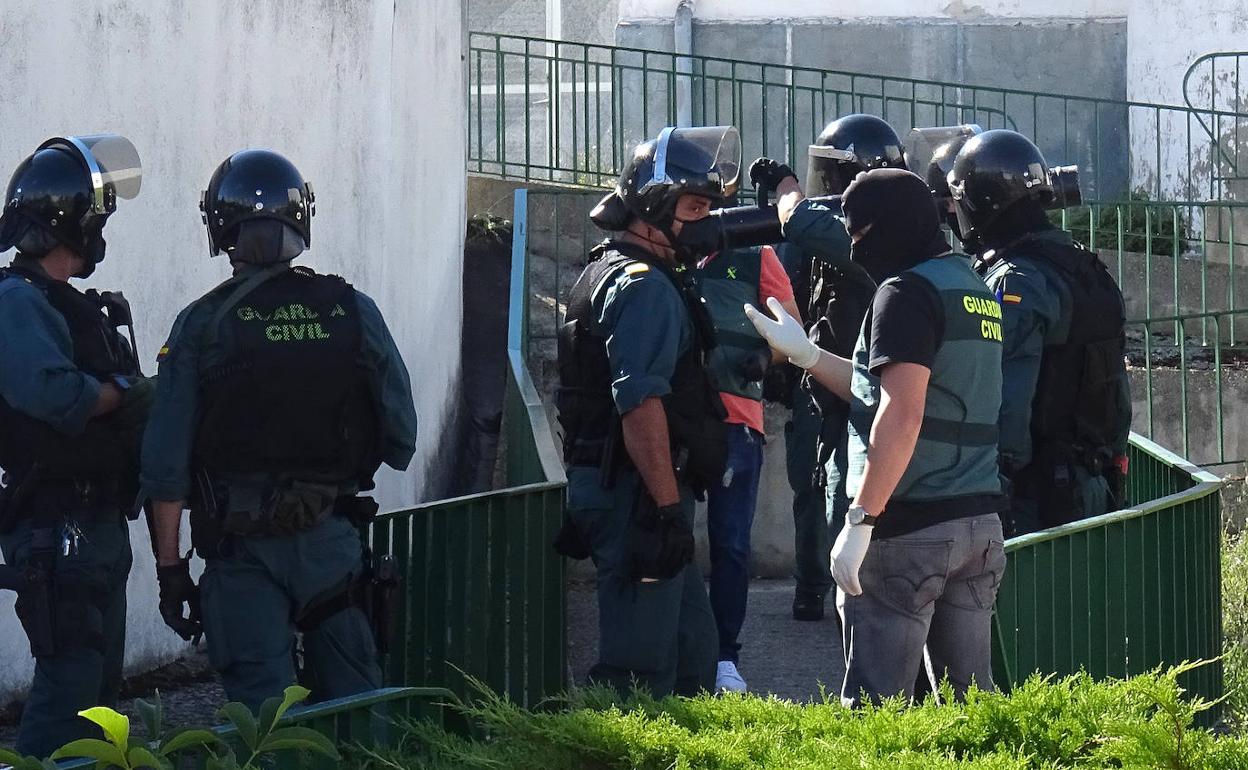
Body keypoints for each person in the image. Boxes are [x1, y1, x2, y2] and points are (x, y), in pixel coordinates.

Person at [140, 149, 418, 711]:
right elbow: (401, 436)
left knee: (266, 722)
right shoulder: (352, 309)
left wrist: (170, 570)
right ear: (301, 220)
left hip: (241, 551)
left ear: (220, 228)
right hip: (331, 544)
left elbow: (165, 467)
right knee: (359, 710)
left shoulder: (202, 323)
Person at [746, 168, 1008, 706]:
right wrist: (809, 356)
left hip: (908, 526)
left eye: (860, 234)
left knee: (877, 716)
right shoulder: (973, 288)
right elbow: (886, 388)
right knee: (971, 715)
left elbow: (902, 413)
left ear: (890, 226)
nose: (856, 249)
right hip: (978, 523)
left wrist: (862, 520)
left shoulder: (904, 292)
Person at [554, 125, 739, 697]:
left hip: (638, 492)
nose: (705, 221)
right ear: (655, 207)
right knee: (639, 676)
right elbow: (639, 406)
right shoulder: (644, 287)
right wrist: (663, 510)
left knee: (691, 660)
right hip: (638, 496)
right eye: (694, 206)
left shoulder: (615, 270)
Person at [0, 135, 148, 756]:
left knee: (98, 704)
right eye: (97, 215)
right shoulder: (15, 301)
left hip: (95, 523)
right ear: (71, 224)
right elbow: (57, 395)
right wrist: (132, 391)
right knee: (68, 696)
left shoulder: (65, 304)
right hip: (58, 525)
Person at [749, 113, 905, 622]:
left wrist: (788, 189)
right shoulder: (830, 233)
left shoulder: (876, 233)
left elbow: (799, 221)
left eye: (832, 173)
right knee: (807, 483)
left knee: (846, 493)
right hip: (819, 377)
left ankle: (853, 598)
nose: (827, 186)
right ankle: (811, 586)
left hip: (861, 385)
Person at [948, 130, 1131, 535]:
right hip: (1096, 485)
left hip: (1037, 499)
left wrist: (990, 492)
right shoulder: (1085, 267)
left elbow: (1007, 407)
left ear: (980, 202)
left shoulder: (1018, 281)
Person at [695, 239, 798, 691]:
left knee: (731, 545)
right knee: (664, 533)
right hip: (677, 416)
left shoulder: (758, 256)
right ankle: (675, 649)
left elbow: (791, 329)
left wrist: (766, 355)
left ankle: (724, 659)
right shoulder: (665, 246)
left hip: (737, 422)